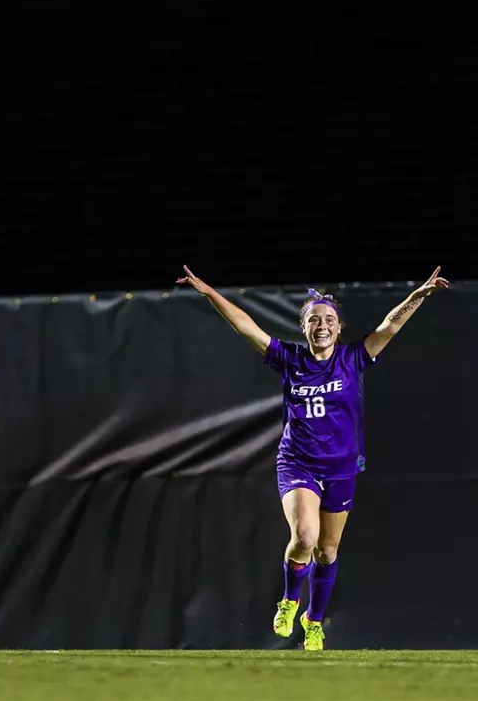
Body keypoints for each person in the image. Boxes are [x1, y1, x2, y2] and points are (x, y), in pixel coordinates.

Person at [176, 265, 449, 649]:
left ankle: (315, 619)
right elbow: (245, 326)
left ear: (339, 328)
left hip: (340, 467)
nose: (322, 325)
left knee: (327, 550)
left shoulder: (353, 359)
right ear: (303, 328)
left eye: (329, 320)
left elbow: (390, 325)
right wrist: (209, 292)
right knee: (305, 537)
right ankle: (290, 599)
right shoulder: (290, 360)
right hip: (298, 463)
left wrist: (419, 295)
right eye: (314, 319)